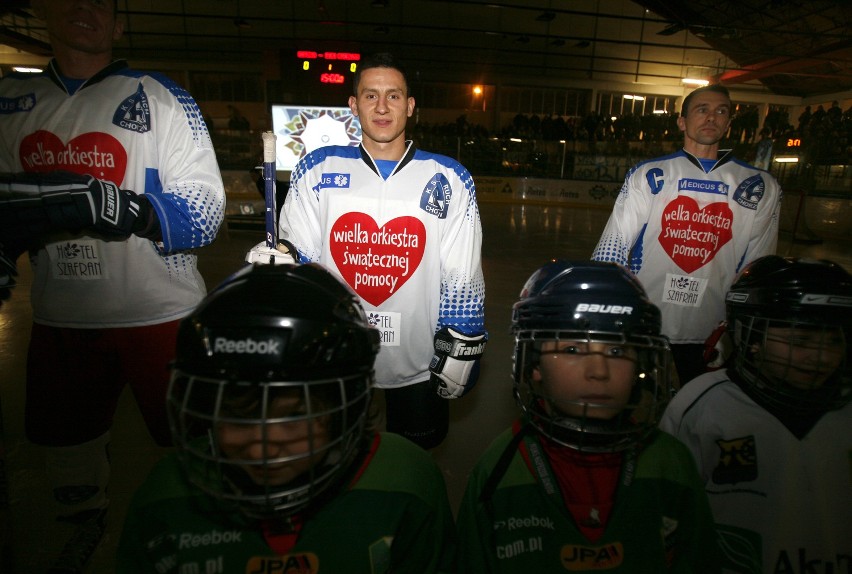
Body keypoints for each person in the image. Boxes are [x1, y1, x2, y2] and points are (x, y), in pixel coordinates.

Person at [0, 0, 224, 570]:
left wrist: (128, 209)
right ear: (44, 13)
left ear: (119, 24)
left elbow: (207, 207)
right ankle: (83, 524)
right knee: (65, 447)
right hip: (61, 315)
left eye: (101, 1)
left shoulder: (163, 97)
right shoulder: (7, 101)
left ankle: (208, 534)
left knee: (195, 444)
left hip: (163, 312)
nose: (83, 8)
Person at [116, 263, 457, 573]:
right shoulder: (163, 500)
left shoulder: (407, 484)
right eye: (238, 417)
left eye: (294, 416)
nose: (261, 449)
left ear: (346, 408)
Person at [276, 52, 486, 449]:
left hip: (419, 363)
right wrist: (282, 258)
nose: (383, 106)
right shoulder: (317, 169)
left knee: (412, 466)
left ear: (410, 105)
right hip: (337, 357)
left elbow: (462, 275)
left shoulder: (449, 178)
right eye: (371, 96)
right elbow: (298, 248)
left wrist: (463, 336)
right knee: (335, 469)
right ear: (353, 105)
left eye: (393, 96)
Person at [456, 260, 720, 572]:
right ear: (534, 364)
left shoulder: (673, 465)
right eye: (571, 350)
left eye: (616, 352)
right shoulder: (498, 470)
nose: (599, 371)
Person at [660, 255, 852, 573]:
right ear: (751, 337)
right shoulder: (704, 405)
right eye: (800, 340)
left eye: (833, 340)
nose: (820, 357)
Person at [592, 84, 781, 385]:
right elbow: (612, 249)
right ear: (682, 122)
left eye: (721, 111)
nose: (711, 118)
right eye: (702, 110)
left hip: (714, 330)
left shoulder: (759, 185)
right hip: (648, 324)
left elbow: (760, 266)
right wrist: (607, 312)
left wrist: (743, 327)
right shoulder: (649, 173)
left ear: (729, 124)